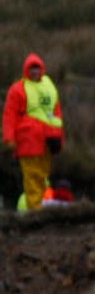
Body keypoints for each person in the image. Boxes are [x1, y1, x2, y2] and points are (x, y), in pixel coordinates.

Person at [4, 53, 63, 212]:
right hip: (28, 141)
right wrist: (9, 138)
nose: (35, 71)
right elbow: (10, 114)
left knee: (43, 177)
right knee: (32, 177)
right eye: (32, 68)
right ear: (26, 70)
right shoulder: (18, 89)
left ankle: (39, 210)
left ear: (42, 69)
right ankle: (35, 211)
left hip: (47, 141)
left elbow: (56, 114)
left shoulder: (49, 87)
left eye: (37, 68)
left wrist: (58, 137)